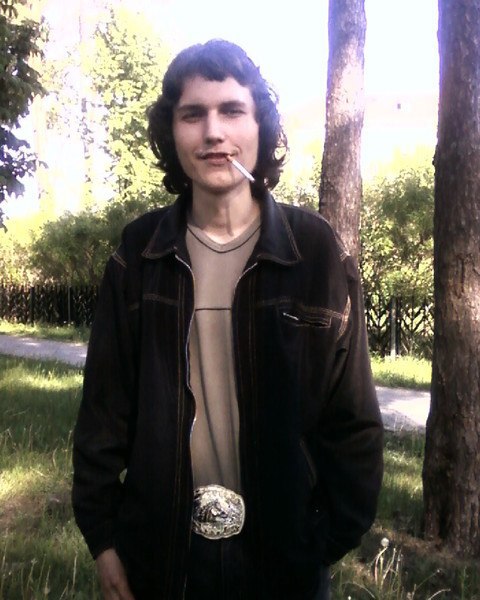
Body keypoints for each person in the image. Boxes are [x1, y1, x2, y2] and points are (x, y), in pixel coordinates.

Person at [72, 39, 384, 600]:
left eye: (233, 110)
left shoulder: (314, 252)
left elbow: (354, 419)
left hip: (285, 559)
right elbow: (103, 412)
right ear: (172, 132)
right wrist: (104, 538)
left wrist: (323, 540)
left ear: (261, 127)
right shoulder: (138, 254)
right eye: (193, 114)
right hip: (163, 558)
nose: (213, 132)